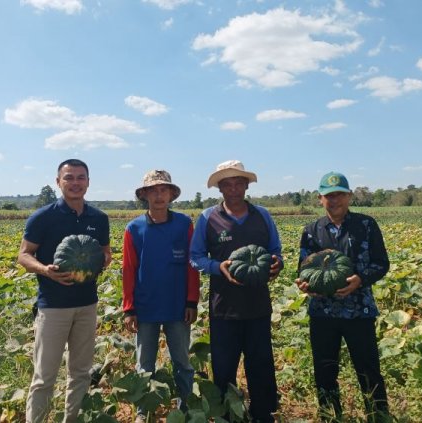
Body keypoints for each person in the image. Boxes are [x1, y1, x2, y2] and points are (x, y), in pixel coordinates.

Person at [18, 159, 112, 423]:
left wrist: (103, 260)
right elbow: (24, 255)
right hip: (53, 306)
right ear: (58, 182)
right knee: (44, 375)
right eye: (69, 178)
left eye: (80, 178)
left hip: (87, 304)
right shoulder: (43, 217)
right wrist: (45, 270)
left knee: (81, 372)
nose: (75, 183)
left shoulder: (99, 218)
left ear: (88, 182)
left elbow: (106, 252)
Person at [189, 160, 283, 423]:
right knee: (224, 368)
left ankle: (263, 415)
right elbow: (195, 257)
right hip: (224, 307)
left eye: (238, 183)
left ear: (246, 185)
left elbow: (276, 250)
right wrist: (218, 267)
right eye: (227, 184)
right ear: (220, 188)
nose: (233, 188)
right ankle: (228, 416)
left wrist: (277, 263)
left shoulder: (262, 215)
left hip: (258, 306)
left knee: (261, 365)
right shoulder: (208, 217)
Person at [294, 171, 391, 422]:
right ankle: (330, 416)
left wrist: (361, 279)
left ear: (349, 196)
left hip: (359, 310)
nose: (334, 200)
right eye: (328, 196)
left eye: (339, 195)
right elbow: (303, 269)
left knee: (368, 369)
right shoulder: (311, 230)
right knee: (325, 369)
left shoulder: (366, 225)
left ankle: (378, 415)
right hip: (323, 312)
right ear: (320, 199)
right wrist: (306, 285)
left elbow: (382, 264)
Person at [122, 170, 200, 423]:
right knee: (144, 364)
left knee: (183, 362)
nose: (158, 195)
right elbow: (129, 270)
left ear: (171, 194)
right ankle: (144, 412)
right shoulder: (134, 228)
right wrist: (129, 308)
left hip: (178, 306)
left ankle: (185, 407)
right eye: (153, 190)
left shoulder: (183, 224)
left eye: (163, 190)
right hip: (146, 306)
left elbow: (192, 265)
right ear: (144, 195)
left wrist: (191, 301)